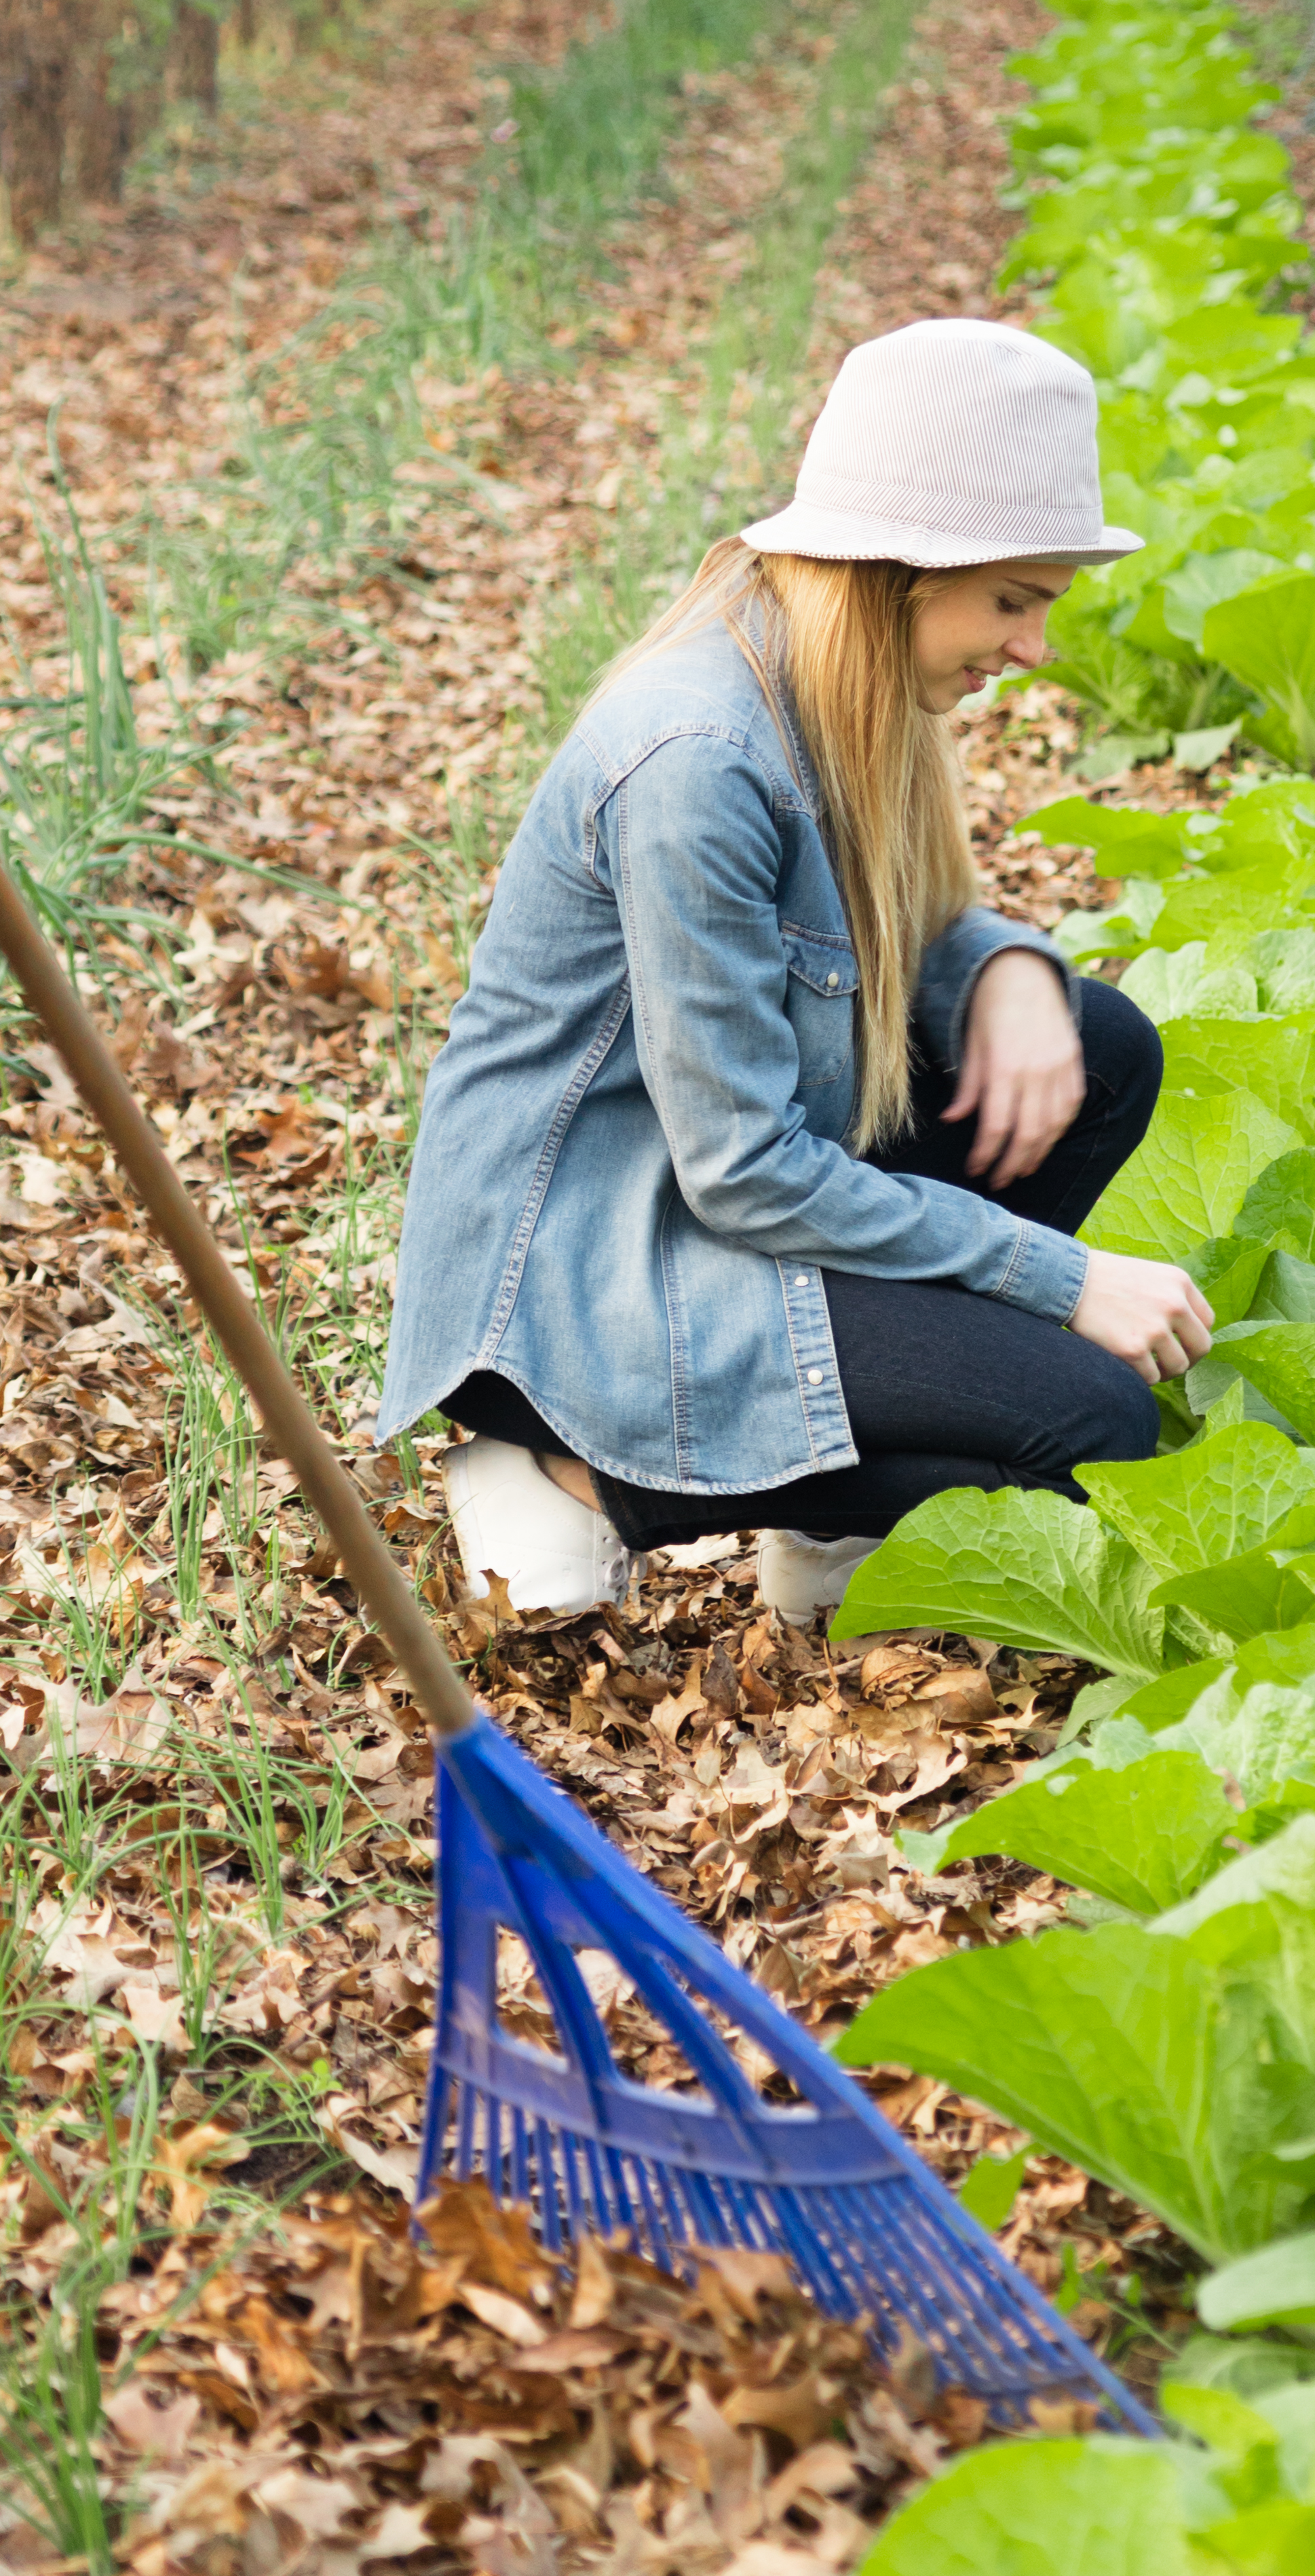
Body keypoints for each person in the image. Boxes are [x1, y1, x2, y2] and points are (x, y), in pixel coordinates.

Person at [379, 317, 1211, 1627]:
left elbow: (893, 927)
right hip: (589, 1274)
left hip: (711, 1194)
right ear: (899, 574)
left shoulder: (835, 682)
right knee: (1094, 1423)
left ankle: (831, 1528)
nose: (1035, 648)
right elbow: (744, 1170)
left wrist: (1003, 967)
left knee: (1096, 1048)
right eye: (1014, 601)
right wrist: (1062, 1281)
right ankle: (572, 1473)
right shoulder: (697, 761)